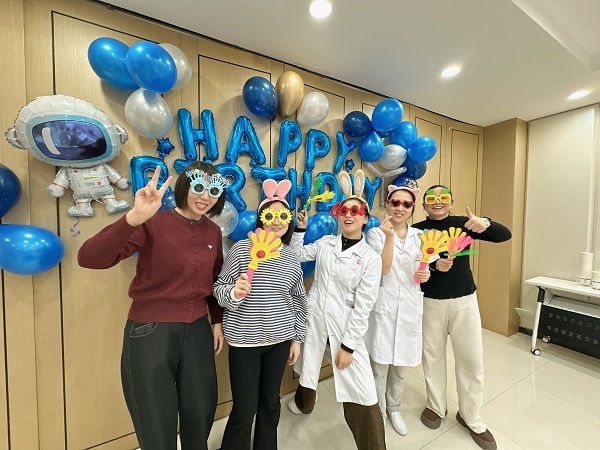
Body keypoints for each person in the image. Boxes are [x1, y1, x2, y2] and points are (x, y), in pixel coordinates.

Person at [78, 162, 227, 450]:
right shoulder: (153, 222)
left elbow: (214, 278)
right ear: (184, 186)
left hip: (198, 329)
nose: (205, 196)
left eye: (213, 191)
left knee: (200, 412)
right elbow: (89, 258)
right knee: (155, 421)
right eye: (199, 187)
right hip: (151, 331)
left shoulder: (212, 231)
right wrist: (133, 218)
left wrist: (216, 321)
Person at [288, 170, 386, 450]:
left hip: (346, 325)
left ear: (365, 218)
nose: (349, 215)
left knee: (361, 390)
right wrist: (300, 230)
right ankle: (304, 403)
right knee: (308, 364)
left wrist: (348, 346)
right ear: (338, 215)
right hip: (316, 316)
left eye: (356, 211)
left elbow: (364, 307)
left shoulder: (370, 258)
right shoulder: (325, 244)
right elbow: (295, 256)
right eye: (344, 210)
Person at [412, 185, 512, 450]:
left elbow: (504, 235)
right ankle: (436, 406)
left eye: (443, 198)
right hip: (429, 301)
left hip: (464, 300)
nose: (437, 202)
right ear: (424, 204)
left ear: (451, 202)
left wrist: (485, 222)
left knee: (471, 359)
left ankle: (471, 415)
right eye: (431, 198)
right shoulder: (416, 231)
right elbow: (409, 264)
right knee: (432, 357)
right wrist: (433, 266)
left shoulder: (465, 225)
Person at [213, 179, 308, 450]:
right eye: (270, 215)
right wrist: (234, 292)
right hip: (244, 342)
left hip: (280, 340)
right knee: (244, 409)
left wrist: (297, 339)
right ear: (260, 219)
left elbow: (298, 299)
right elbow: (219, 289)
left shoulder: (290, 257)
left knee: (270, 402)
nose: (276, 221)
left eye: (283, 216)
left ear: (289, 221)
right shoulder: (241, 249)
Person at [364, 183, 430, 437]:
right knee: (379, 364)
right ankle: (378, 412)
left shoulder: (420, 236)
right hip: (385, 305)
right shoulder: (376, 234)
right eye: (395, 203)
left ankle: (394, 408)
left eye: (406, 204)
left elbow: (425, 268)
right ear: (387, 204)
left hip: (410, 306)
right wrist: (390, 237)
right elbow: (383, 269)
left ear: (413, 207)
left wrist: (426, 274)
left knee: (401, 365)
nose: (400, 208)